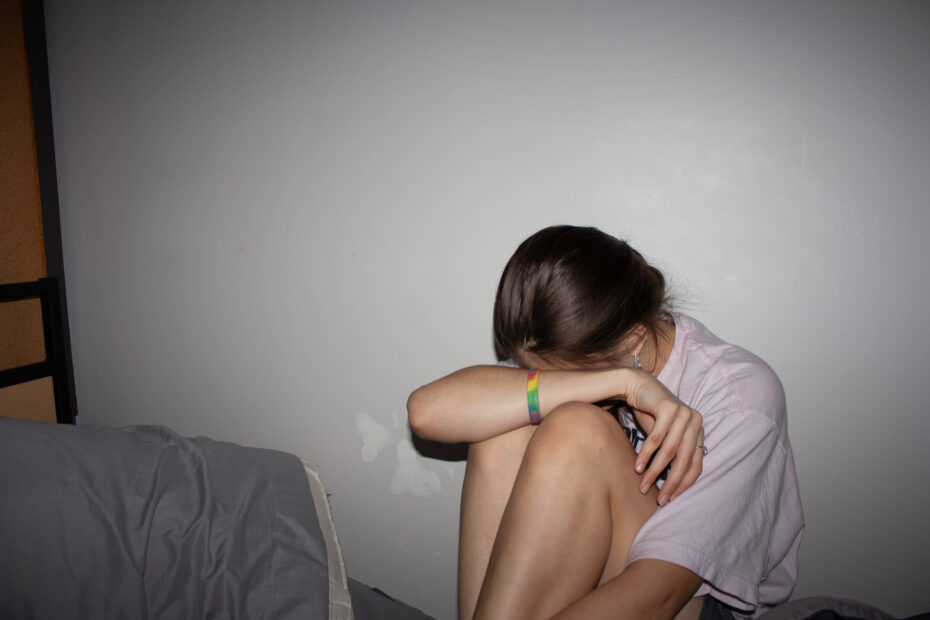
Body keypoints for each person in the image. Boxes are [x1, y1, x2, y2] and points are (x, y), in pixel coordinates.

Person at [407, 225, 803, 620]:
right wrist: (625, 381)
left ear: (632, 341)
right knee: (503, 426)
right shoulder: (592, 344)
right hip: (606, 575)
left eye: (562, 372)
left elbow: (658, 596)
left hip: (687, 601)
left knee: (578, 430)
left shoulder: (740, 395)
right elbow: (427, 413)